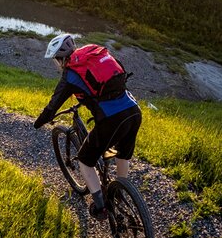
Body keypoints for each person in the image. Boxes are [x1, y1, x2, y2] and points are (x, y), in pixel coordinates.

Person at [33, 34, 141, 220]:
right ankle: (120, 192)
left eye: (55, 60)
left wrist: (38, 123)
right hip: (133, 110)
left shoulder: (71, 73)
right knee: (122, 154)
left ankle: (101, 208)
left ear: (60, 59)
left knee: (85, 160)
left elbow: (53, 106)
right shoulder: (93, 53)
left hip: (112, 118)